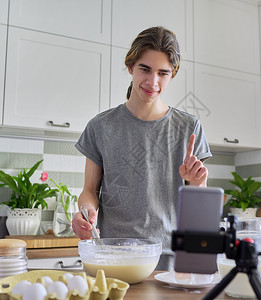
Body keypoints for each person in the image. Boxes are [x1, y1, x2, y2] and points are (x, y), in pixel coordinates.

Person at [72, 26, 212, 270]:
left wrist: (197, 184)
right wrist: (86, 213)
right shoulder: (101, 126)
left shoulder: (189, 128)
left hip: (170, 261)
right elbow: (89, 191)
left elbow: (198, 213)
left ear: (173, 74)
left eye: (163, 73)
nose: (153, 82)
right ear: (130, 67)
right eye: (145, 69)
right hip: (112, 259)